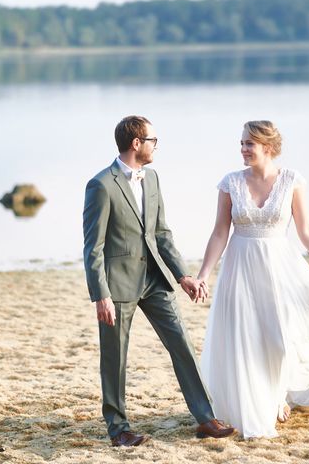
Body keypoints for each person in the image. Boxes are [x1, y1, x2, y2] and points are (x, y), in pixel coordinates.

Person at [196, 120, 309, 438]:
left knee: (279, 339)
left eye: (248, 144)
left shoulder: (292, 181)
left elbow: (306, 232)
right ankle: (258, 401)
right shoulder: (230, 183)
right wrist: (203, 275)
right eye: (241, 143)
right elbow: (220, 232)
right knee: (245, 337)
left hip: (279, 267)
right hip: (239, 267)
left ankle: (279, 394)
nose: (242, 149)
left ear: (267, 147)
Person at [83, 115, 235, 446]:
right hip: (118, 286)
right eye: (153, 140)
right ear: (136, 143)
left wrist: (183, 276)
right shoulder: (101, 185)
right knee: (115, 359)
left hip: (155, 279)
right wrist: (100, 295)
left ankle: (206, 417)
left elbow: (161, 233)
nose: (156, 146)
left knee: (182, 344)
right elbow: (92, 247)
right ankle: (118, 429)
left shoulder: (151, 178)